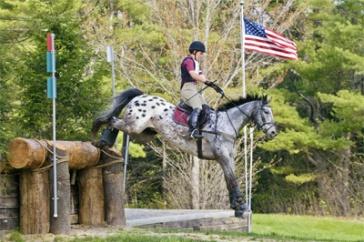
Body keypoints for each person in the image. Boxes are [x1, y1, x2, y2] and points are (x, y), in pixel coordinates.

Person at [180, 41, 209, 139]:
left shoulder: (196, 63)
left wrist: (210, 83)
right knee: (198, 107)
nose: (202, 56)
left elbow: (201, 75)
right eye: (201, 53)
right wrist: (204, 81)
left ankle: (202, 128)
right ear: (194, 52)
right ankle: (192, 131)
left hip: (193, 89)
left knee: (206, 107)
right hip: (187, 88)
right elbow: (193, 75)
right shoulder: (188, 61)